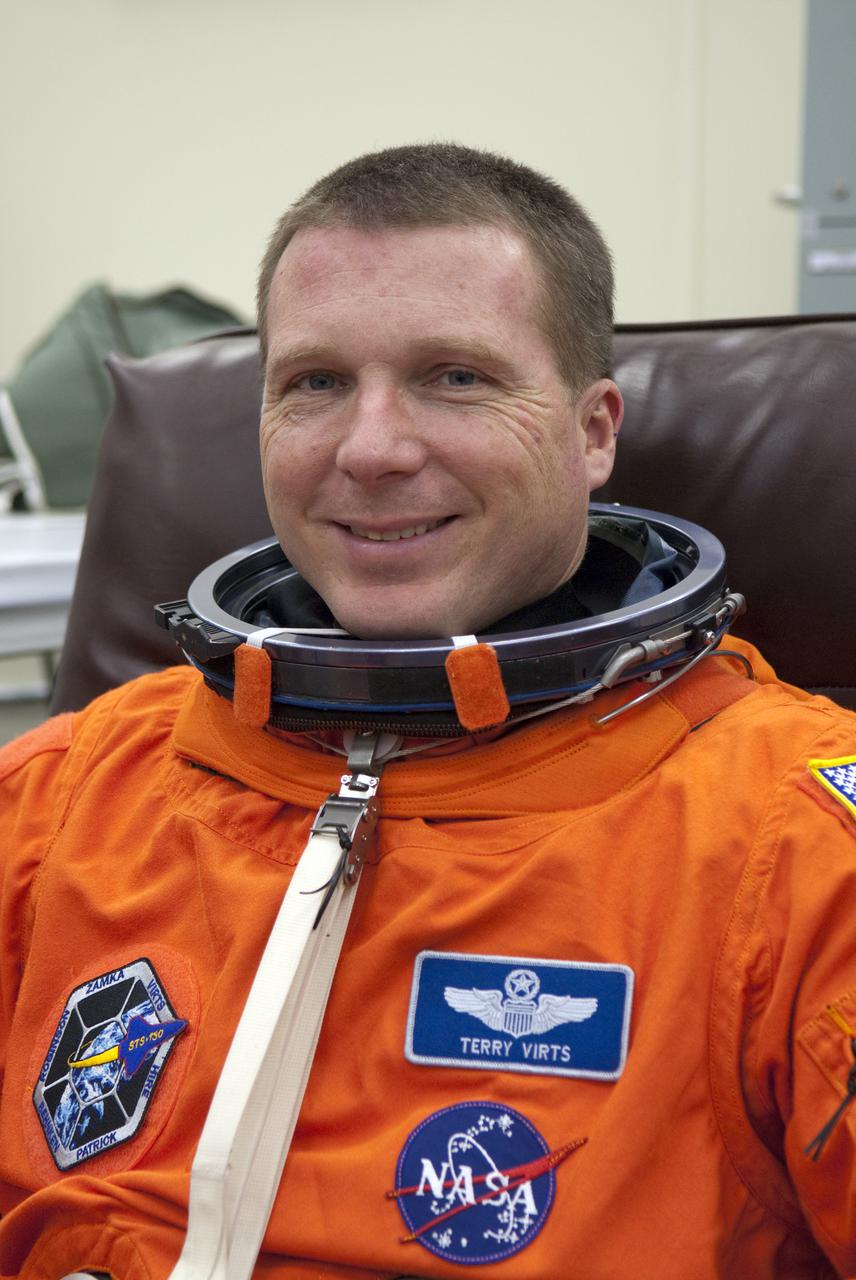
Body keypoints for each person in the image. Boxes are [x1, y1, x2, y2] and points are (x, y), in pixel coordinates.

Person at [1, 143, 855, 1280]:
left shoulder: (793, 847)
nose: (370, 449)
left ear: (594, 431)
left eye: (455, 375)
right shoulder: (66, 794)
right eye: (313, 384)